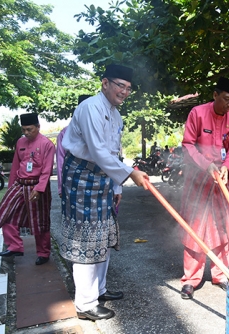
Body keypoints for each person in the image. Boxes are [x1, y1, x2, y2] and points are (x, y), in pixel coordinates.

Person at [59, 64, 149, 321]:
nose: (125, 91)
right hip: (83, 178)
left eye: (129, 88)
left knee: (103, 235)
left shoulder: (116, 115)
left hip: (104, 180)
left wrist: (118, 185)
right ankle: (85, 304)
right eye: (120, 85)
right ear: (105, 83)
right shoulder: (89, 108)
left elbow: (114, 153)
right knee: (86, 239)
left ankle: (99, 290)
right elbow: (97, 151)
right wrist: (130, 172)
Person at [179, 77, 229, 299]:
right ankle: (191, 279)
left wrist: (227, 167)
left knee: (223, 227)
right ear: (215, 95)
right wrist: (206, 166)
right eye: (227, 99)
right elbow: (188, 145)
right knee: (195, 229)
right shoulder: (197, 113)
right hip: (198, 180)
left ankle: (221, 274)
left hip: (223, 180)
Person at [0, 113, 55, 266]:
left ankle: (43, 253)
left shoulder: (47, 144)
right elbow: (15, 166)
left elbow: (47, 170)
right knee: (5, 213)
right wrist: (10, 186)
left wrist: (39, 189)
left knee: (40, 221)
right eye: (24, 130)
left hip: (37, 186)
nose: (26, 133)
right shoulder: (20, 142)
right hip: (20, 184)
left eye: (29, 129)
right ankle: (14, 247)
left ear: (38, 127)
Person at [56, 95, 92, 198]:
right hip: (72, 182)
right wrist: (60, 187)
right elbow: (60, 160)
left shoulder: (101, 130)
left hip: (99, 181)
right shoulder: (65, 133)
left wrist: (116, 187)